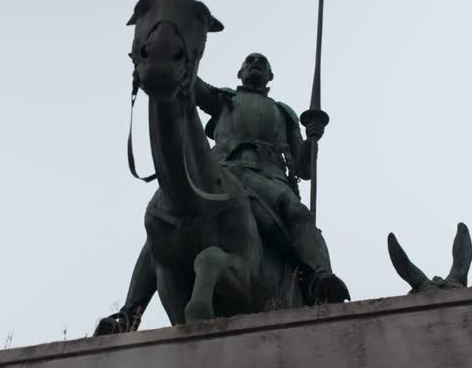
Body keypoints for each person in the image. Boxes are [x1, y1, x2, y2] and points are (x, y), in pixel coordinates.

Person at [96, 52, 350, 334]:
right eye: (250, 62)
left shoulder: (284, 113)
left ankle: (319, 277)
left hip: (267, 177)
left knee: (296, 213)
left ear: (270, 77)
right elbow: (192, 85)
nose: (256, 64)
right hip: (222, 170)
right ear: (240, 72)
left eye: (263, 63)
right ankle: (130, 312)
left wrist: (314, 137)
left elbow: (305, 169)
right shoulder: (226, 99)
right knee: (162, 223)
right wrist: (173, 58)